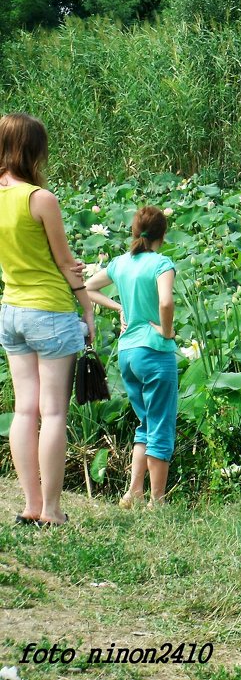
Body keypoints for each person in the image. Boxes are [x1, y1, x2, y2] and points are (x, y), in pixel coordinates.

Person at [0, 112, 94, 527]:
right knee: (53, 412)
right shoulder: (41, 199)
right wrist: (88, 305)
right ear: (33, 150)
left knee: (25, 411)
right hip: (50, 312)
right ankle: (52, 511)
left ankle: (31, 504)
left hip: (11, 310)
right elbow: (65, 263)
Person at [85, 206, 178, 508]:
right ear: (162, 235)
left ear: (135, 232)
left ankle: (133, 492)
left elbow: (88, 288)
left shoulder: (120, 263)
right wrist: (166, 332)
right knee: (161, 426)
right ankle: (157, 500)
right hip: (154, 352)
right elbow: (165, 302)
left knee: (146, 424)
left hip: (127, 353)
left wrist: (120, 308)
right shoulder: (161, 264)